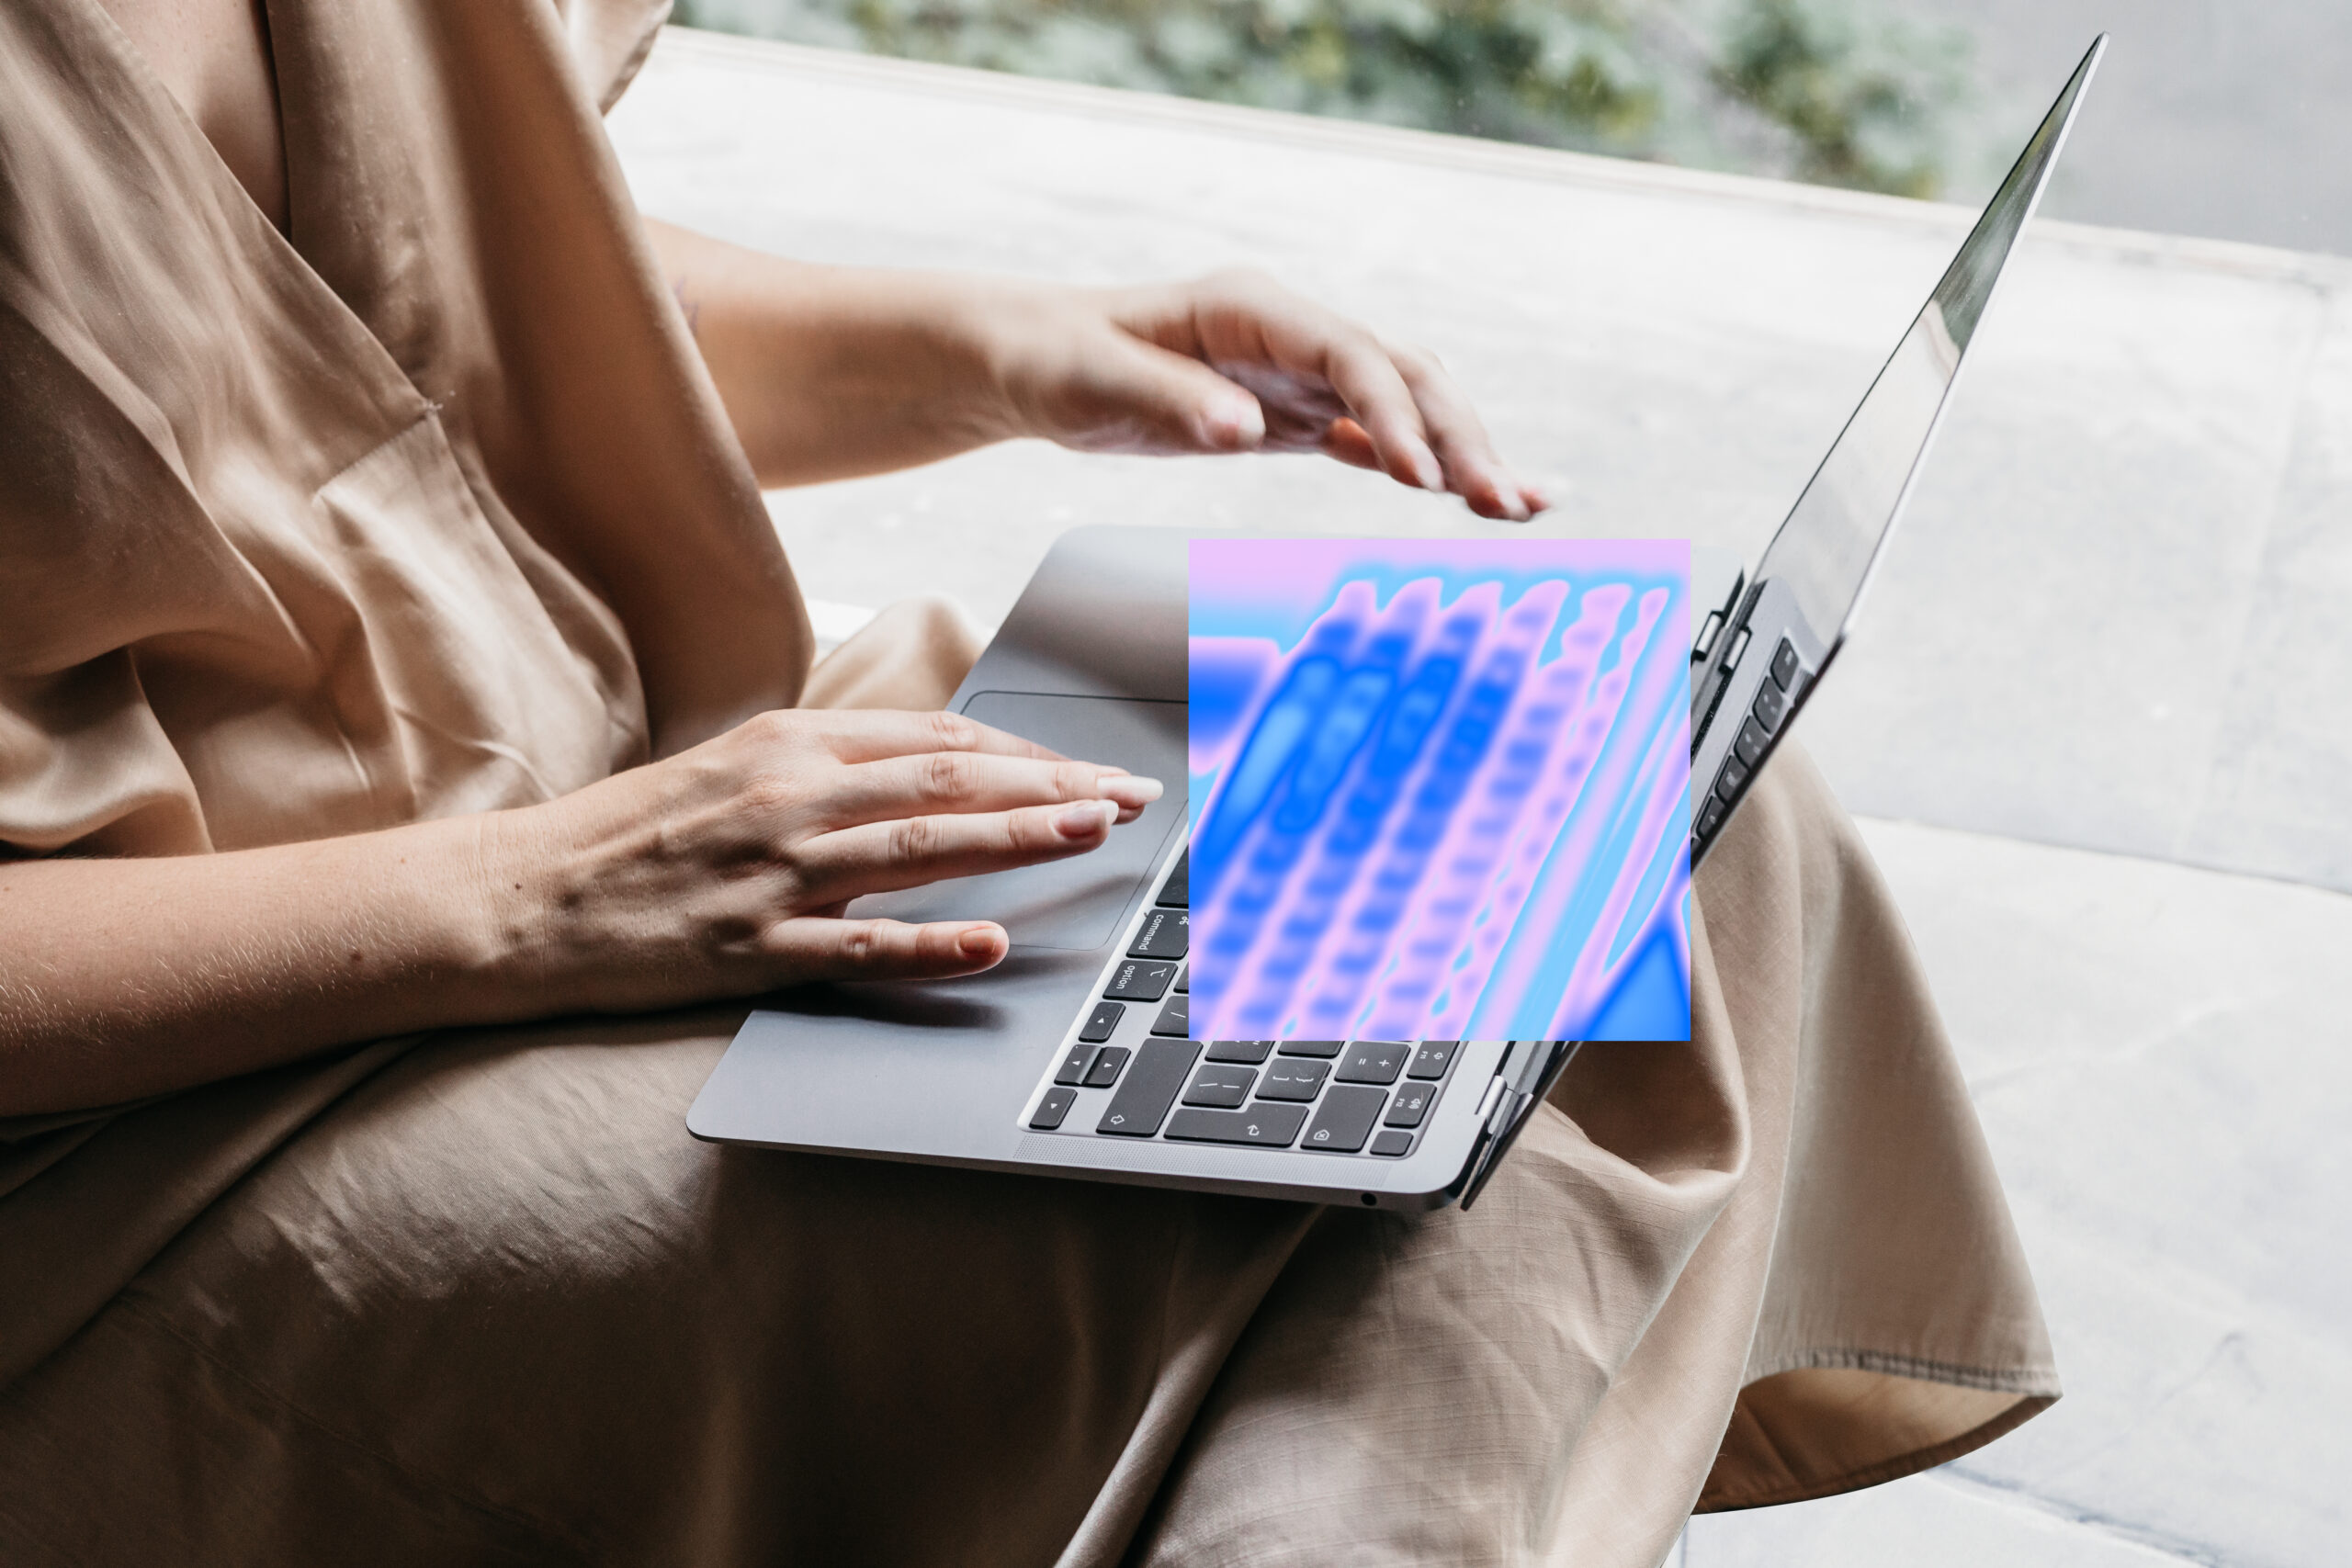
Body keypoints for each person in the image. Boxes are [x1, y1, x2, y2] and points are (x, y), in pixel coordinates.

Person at [0, 1, 2061, 1562]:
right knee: (1334, 1197)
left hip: (666, 771)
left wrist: (1009, 342)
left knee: (1638, 818)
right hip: (193, 1094)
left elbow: (406, 311)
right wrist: (536, 898)